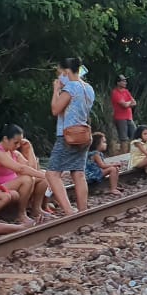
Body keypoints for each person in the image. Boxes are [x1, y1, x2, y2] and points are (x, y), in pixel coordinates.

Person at [47, 57, 96, 215]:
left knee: (52, 173)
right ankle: (83, 210)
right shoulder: (88, 88)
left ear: (66, 72)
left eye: (60, 72)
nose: (59, 76)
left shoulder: (71, 88)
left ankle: (69, 211)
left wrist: (56, 90)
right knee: (78, 173)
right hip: (84, 133)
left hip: (67, 135)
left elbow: (55, 109)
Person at [0, 126, 48, 224]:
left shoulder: (13, 152)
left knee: (42, 176)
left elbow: (32, 168)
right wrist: (45, 175)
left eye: (20, 142)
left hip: (11, 184)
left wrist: (29, 149)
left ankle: (36, 209)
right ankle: (21, 214)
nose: (18, 145)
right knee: (27, 179)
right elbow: (21, 169)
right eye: (16, 142)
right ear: (5, 139)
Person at [110, 75, 137, 149]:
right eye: (123, 81)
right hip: (120, 118)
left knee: (135, 135)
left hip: (129, 117)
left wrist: (127, 103)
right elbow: (124, 105)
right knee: (124, 139)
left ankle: (131, 154)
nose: (125, 82)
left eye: (125, 80)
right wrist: (129, 103)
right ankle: (123, 157)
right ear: (118, 83)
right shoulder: (115, 92)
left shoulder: (126, 91)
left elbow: (134, 103)